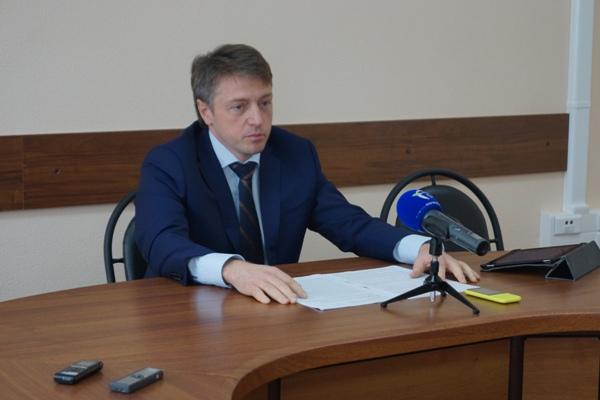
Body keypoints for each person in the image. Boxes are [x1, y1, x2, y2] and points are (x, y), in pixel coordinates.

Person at [135, 44, 480, 304]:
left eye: (265, 102)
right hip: (190, 315)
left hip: (276, 310)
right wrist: (232, 269)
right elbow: (160, 242)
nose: (257, 119)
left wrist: (418, 247)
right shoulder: (169, 162)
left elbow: (349, 224)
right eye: (239, 107)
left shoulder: (294, 154)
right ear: (206, 111)